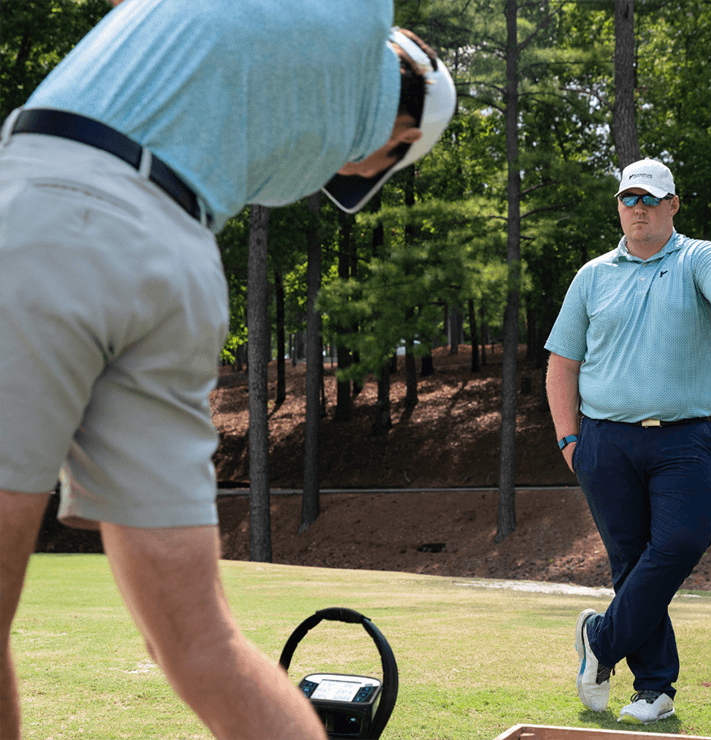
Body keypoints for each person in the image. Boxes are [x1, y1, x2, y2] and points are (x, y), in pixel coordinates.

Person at [0, 0, 455, 738]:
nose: (345, 166)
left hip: (54, 212)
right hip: (178, 267)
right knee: (198, 641)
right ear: (405, 133)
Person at [545, 158, 711, 726]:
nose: (639, 209)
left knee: (681, 542)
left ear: (673, 205)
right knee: (631, 564)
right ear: (619, 206)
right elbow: (562, 365)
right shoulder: (593, 275)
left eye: (650, 199)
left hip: (683, 440)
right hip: (603, 442)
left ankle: (600, 640)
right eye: (629, 199)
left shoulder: (697, 257)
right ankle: (654, 689)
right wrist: (568, 441)